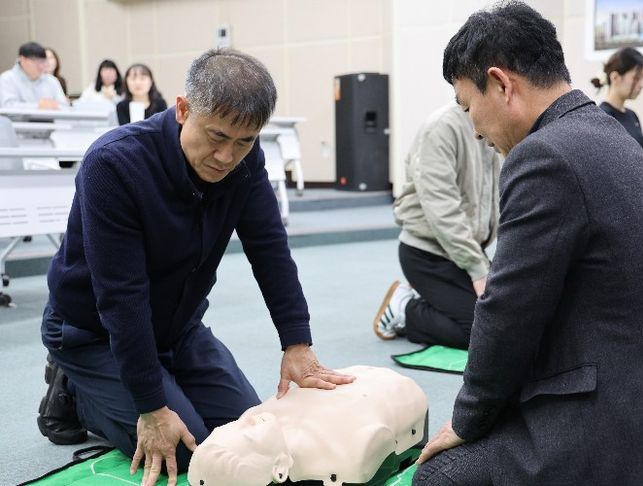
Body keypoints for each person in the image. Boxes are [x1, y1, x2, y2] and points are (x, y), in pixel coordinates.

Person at [37, 48, 354, 486]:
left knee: (248, 436)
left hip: (177, 327)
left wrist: (296, 342)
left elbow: (270, 249)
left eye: (244, 141)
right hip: (93, 331)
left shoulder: (246, 160)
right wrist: (151, 406)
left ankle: (140, 382)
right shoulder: (113, 164)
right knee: (188, 451)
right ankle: (76, 391)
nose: (226, 156)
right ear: (183, 109)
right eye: (217, 136)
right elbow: (121, 298)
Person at [414, 2, 643, 485]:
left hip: (630, 415)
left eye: (469, 106)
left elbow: (507, 312)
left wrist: (466, 421)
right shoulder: (604, 130)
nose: (474, 128)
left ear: (501, 83)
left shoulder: (545, 156)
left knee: (438, 474)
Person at [373, 102, 500, 349]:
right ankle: (405, 308)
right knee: (480, 333)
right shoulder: (442, 128)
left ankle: (432, 297)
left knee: (507, 317)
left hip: (467, 251)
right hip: (427, 254)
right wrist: (479, 270)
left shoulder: (495, 124)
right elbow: (441, 209)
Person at [188, 366, 427, 486]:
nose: (247, 420)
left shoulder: (255, 415)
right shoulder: (346, 456)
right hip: (394, 396)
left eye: (234, 426)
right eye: (249, 435)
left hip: (368, 381)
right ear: (279, 469)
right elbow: (378, 440)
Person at [591, 47, 643, 150]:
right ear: (615, 78)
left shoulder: (632, 115)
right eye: (636, 78)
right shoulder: (602, 117)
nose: (642, 84)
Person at [0, 41, 68, 109]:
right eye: (36, 61)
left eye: (42, 61)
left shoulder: (51, 80)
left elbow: (64, 106)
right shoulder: (7, 79)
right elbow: (8, 106)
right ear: (22, 60)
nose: (41, 66)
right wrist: (39, 106)